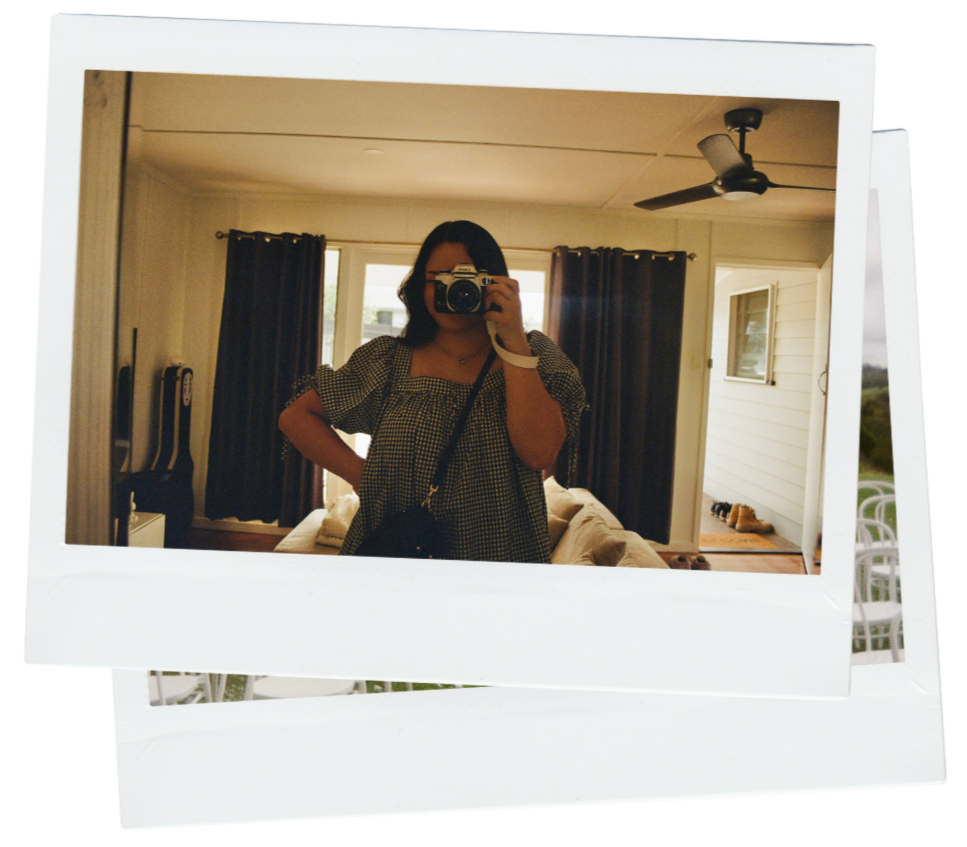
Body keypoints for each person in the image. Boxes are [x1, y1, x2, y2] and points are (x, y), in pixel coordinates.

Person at [279, 221, 585, 563]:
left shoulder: (534, 357)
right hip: (397, 552)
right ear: (419, 288)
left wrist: (512, 340)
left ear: (494, 283)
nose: (452, 291)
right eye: (436, 279)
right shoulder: (388, 360)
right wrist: (361, 474)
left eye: (464, 280)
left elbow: (539, 454)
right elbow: (296, 417)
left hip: (500, 557)